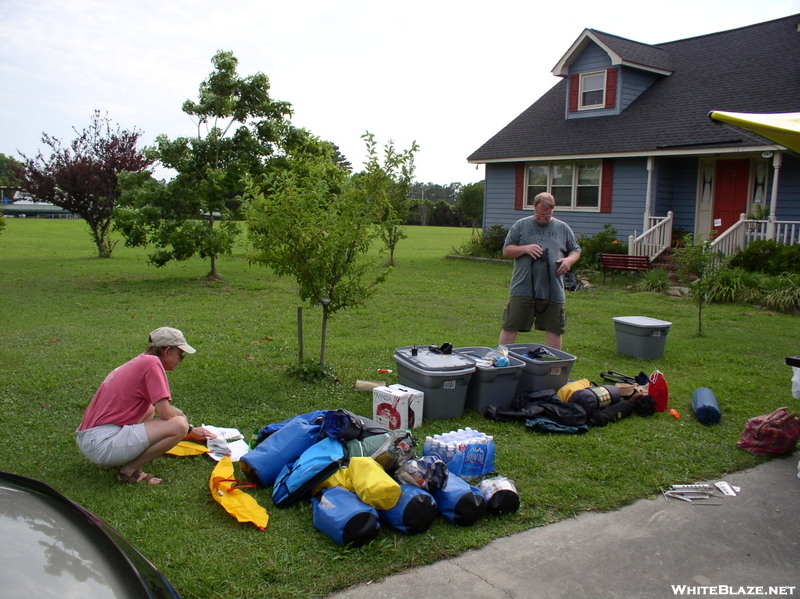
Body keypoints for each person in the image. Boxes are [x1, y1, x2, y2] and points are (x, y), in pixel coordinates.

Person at [76, 327, 216, 484]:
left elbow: (157, 407)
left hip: (90, 441)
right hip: (102, 445)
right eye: (180, 354)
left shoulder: (142, 361)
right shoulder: (152, 365)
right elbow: (167, 415)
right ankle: (129, 472)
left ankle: (119, 460)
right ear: (167, 351)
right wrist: (188, 426)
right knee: (179, 425)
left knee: (149, 408)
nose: (181, 359)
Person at [499, 192, 581, 351]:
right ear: (534, 208)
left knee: (555, 329)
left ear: (552, 210)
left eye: (547, 214)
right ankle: (500, 360)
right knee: (511, 325)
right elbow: (507, 251)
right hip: (523, 287)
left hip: (552, 289)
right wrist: (525, 248)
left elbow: (575, 250)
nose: (543, 217)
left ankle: (553, 367)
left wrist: (568, 260)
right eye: (539, 214)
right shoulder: (521, 225)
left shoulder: (562, 228)